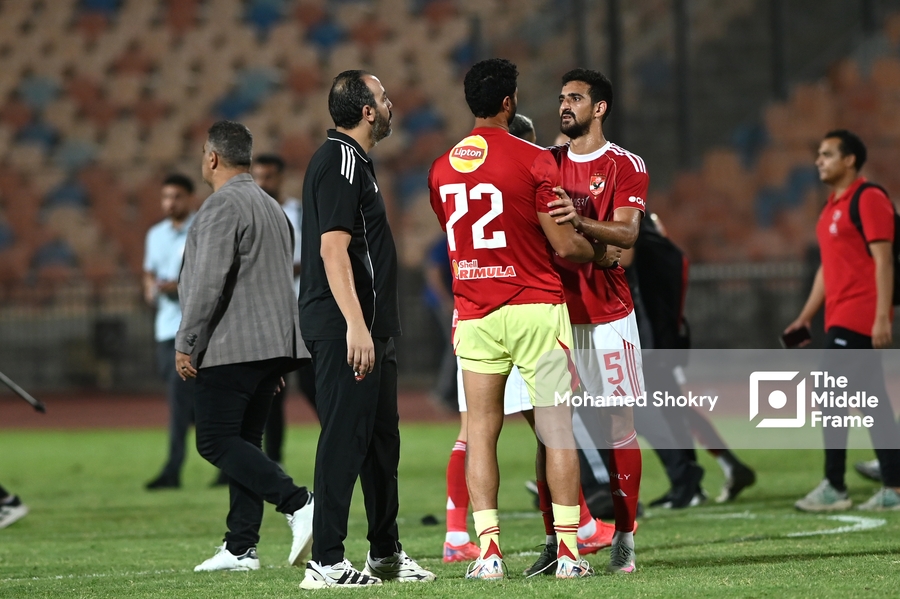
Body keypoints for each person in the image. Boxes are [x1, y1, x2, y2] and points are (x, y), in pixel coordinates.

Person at [429, 58, 603, 580]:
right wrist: (600, 250)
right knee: (556, 430)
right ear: (510, 102)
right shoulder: (534, 159)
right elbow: (565, 246)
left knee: (480, 433)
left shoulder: (441, 168)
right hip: (534, 310)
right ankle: (569, 553)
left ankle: (488, 554)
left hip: (475, 314)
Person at [298, 70, 434, 589]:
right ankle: (326, 561)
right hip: (346, 328)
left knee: (380, 445)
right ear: (368, 111)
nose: (391, 103)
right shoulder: (340, 160)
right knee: (344, 439)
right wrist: (355, 325)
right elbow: (332, 248)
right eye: (383, 97)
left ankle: (385, 553)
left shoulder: (356, 161)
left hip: (369, 328)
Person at [175, 120, 315, 572]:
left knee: (215, 441)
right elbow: (277, 283)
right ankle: (241, 547)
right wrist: (275, 357)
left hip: (230, 345)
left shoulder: (220, 207)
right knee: (245, 443)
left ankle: (299, 503)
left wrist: (187, 341)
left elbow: (206, 283)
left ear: (212, 158)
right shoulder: (273, 208)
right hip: (268, 346)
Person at [543, 68, 647, 574]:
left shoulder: (625, 165)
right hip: (552, 313)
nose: (565, 105)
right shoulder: (547, 162)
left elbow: (627, 237)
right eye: (562, 98)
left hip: (608, 316)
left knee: (618, 425)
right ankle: (558, 538)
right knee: (551, 428)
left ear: (599, 107)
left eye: (576, 98)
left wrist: (578, 219)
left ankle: (625, 536)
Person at [785, 129, 900, 512]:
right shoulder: (832, 206)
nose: (819, 161)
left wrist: (882, 316)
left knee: (830, 390)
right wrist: (805, 317)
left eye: (827, 154)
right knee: (870, 400)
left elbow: (884, 260)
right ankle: (893, 485)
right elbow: (827, 268)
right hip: (839, 316)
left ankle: (835, 485)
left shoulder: (868, 198)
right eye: (819, 154)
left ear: (849, 160)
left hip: (860, 314)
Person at [251, 153, 318, 466]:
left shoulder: (300, 213)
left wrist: (283, 268)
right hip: (267, 315)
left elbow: (317, 256)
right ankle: (273, 460)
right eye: (258, 177)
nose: (263, 183)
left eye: (268, 176)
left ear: (280, 178)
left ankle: (343, 444)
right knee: (270, 390)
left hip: (301, 311)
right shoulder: (250, 214)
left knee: (311, 384)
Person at [143, 174, 197, 491]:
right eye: (166, 197)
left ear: (189, 198)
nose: (170, 203)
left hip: (193, 330)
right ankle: (232, 461)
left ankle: (172, 469)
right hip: (165, 328)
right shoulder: (155, 235)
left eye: (176, 196)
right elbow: (149, 272)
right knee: (194, 405)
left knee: (180, 402)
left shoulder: (201, 230)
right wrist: (151, 288)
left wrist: (177, 287)